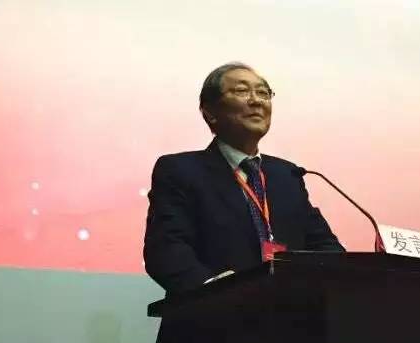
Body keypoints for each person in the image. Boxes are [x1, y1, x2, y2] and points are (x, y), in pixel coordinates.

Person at [143, 62, 344, 295]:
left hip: (287, 312)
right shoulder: (181, 170)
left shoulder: (287, 175)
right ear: (210, 112)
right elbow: (166, 250)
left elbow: (325, 247)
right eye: (241, 91)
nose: (257, 101)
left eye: (263, 93)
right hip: (215, 312)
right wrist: (216, 290)